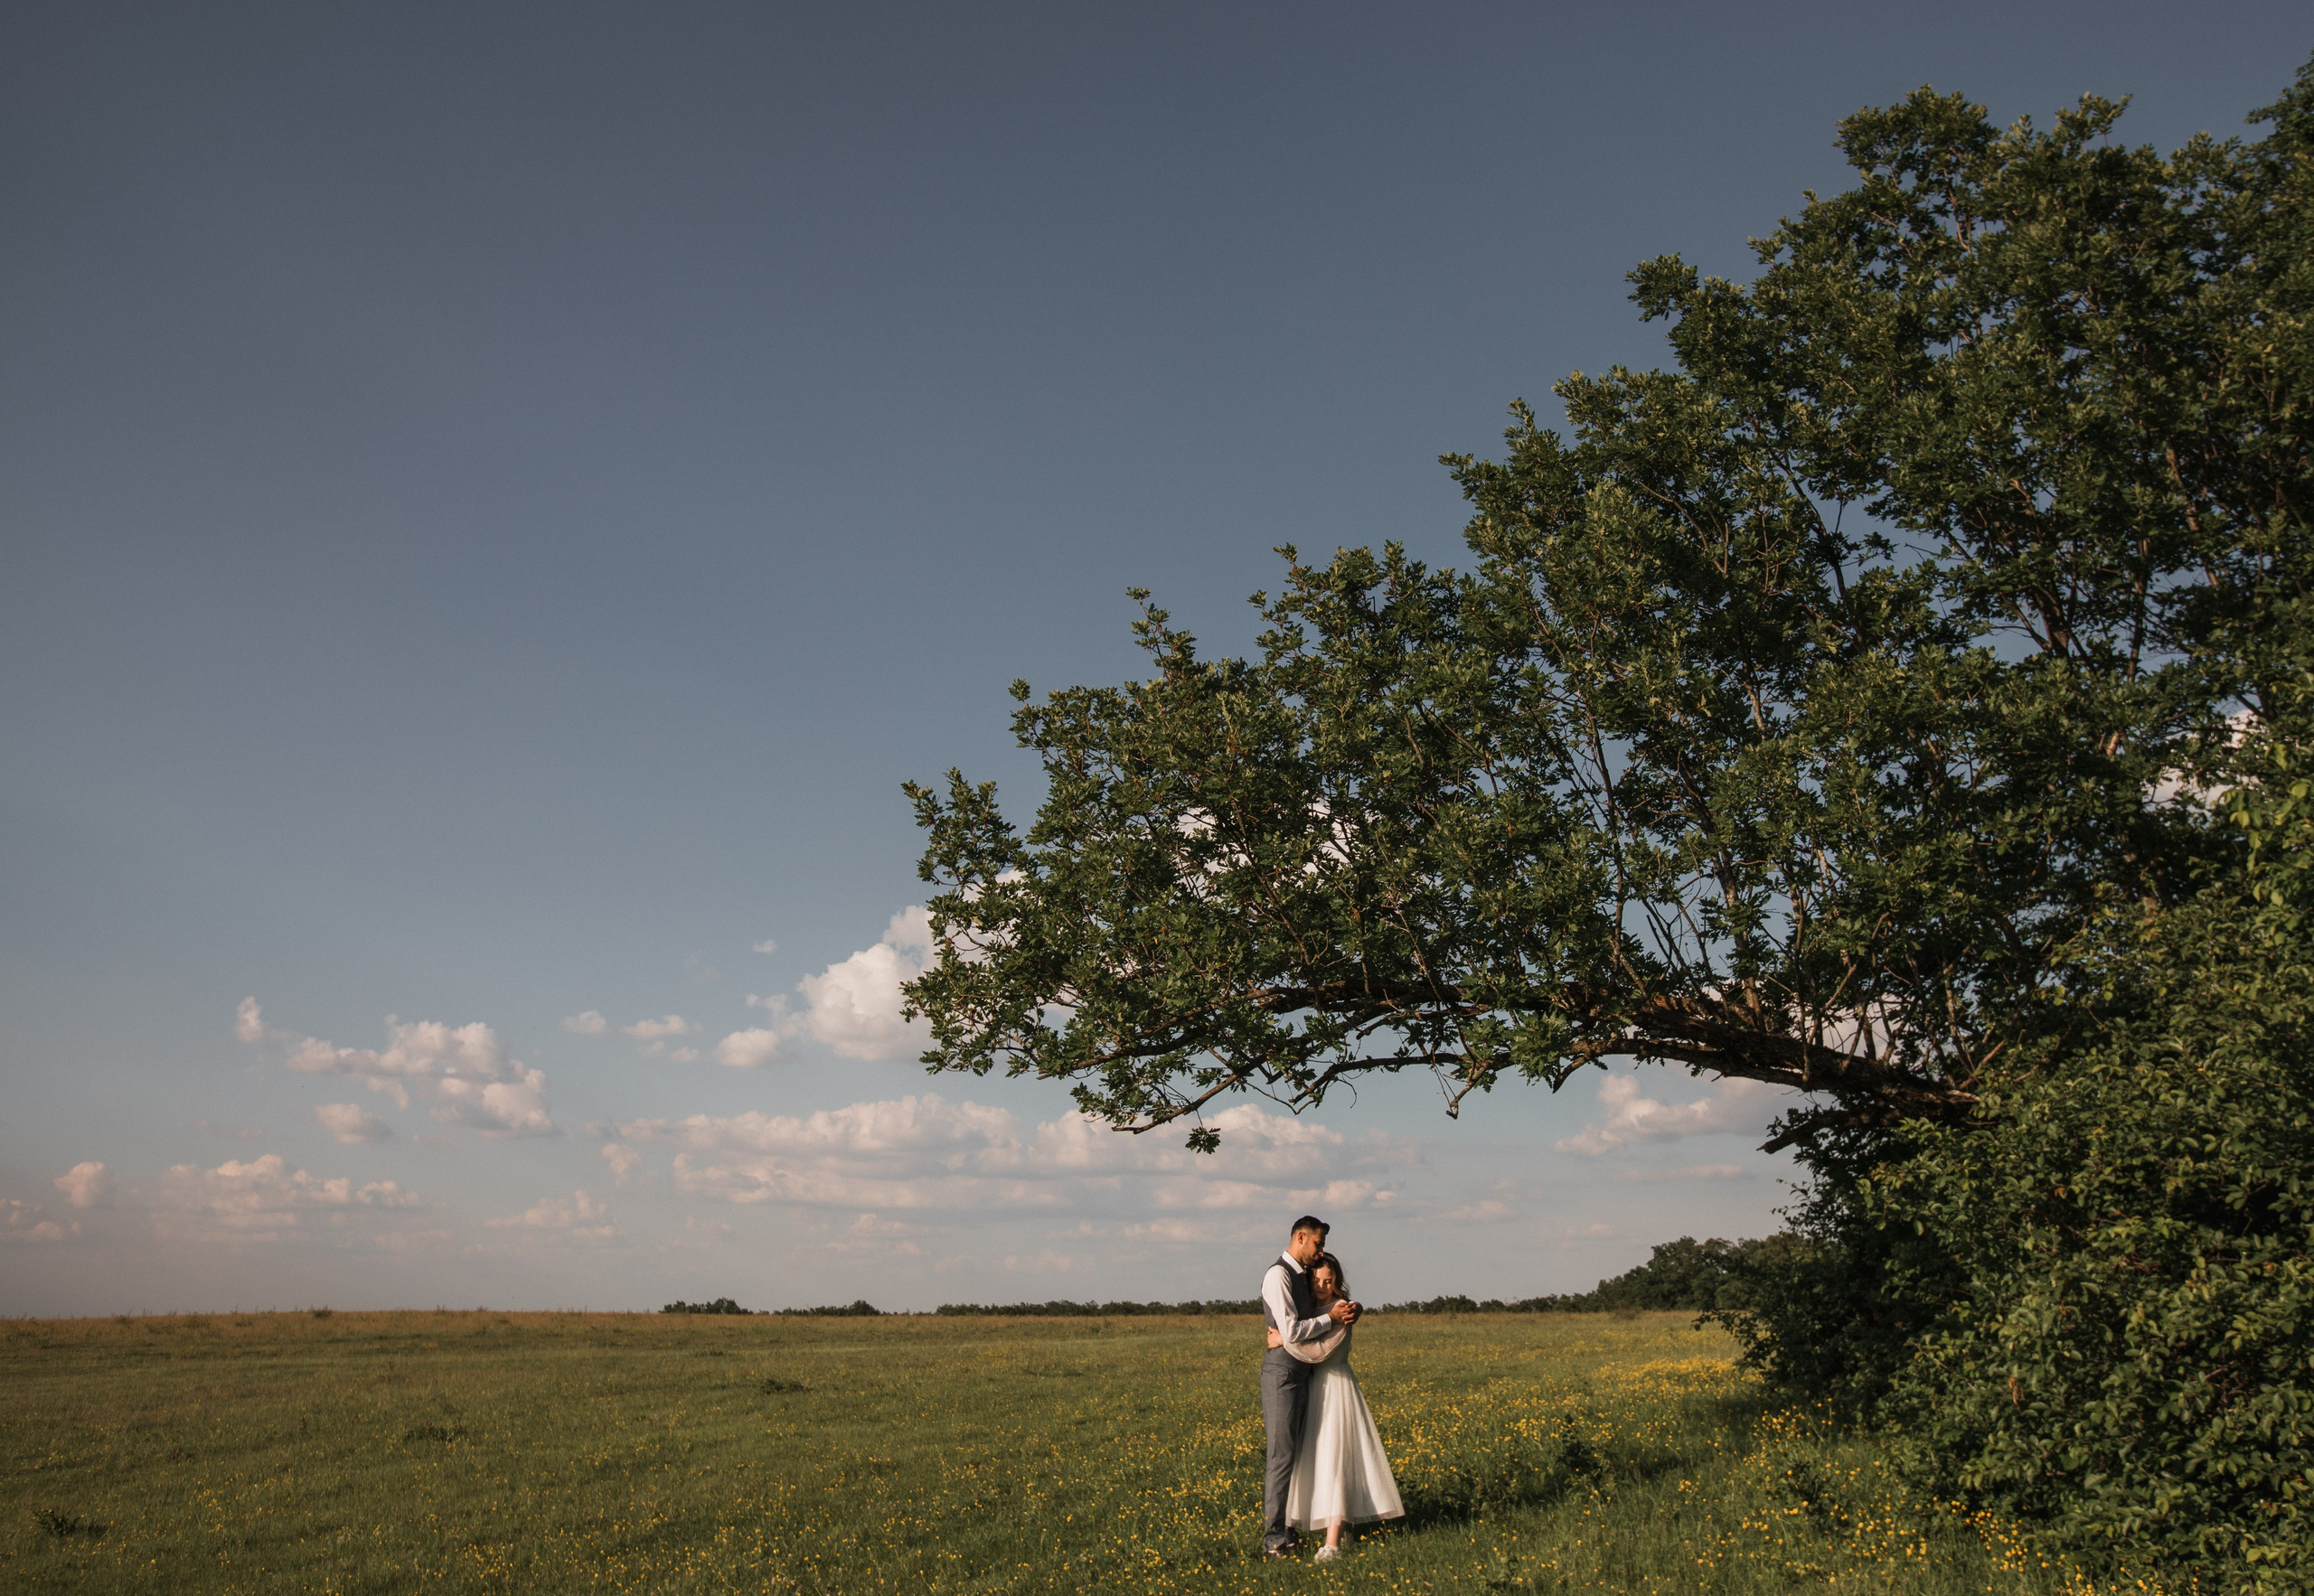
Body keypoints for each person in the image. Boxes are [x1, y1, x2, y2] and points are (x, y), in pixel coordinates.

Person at [1267, 1252, 1404, 1560]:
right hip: (1316, 1388)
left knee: (1336, 1460)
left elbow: (1320, 1352)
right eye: (1316, 1281)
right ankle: (1337, 1529)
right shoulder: (1312, 1309)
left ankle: (1332, 1544)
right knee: (1318, 1461)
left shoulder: (1342, 1310)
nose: (1322, 1286)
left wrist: (1282, 1341)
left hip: (1337, 1387)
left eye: (1328, 1281)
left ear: (1337, 1281)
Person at [1260, 1216, 1358, 1558]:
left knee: (1296, 1456)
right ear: (1301, 1237)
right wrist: (1329, 1319)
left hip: (1303, 1374)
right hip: (1283, 1375)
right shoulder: (1278, 1276)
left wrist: (1347, 1309)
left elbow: (1298, 1326)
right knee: (1281, 1456)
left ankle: (1288, 1529)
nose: (1321, 1252)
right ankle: (1274, 1540)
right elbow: (1292, 1331)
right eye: (1318, 1244)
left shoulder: (1302, 1277)